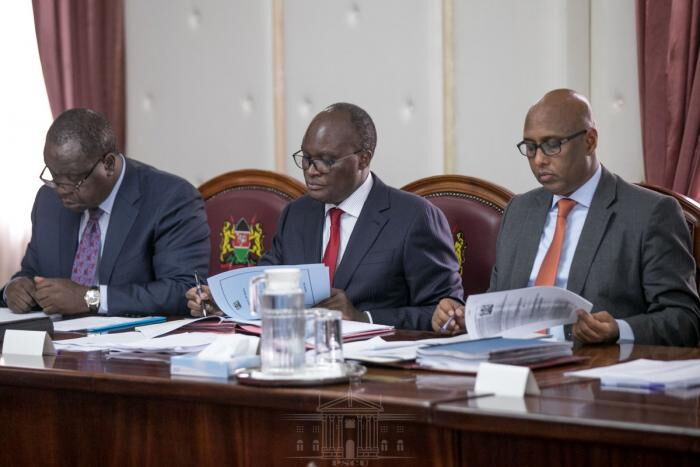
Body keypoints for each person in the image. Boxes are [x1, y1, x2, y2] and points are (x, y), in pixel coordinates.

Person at [432, 89, 700, 346]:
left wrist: (619, 329)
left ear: (589, 141)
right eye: (530, 147)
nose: (538, 160)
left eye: (552, 145)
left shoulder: (650, 213)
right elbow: (499, 303)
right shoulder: (519, 210)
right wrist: (463, 317)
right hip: (511, 362)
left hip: (595, 369)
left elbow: (684, 320)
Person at [187, 102, 463, 329]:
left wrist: (362, 318)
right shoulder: (296, 214)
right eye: (306, 158)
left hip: (378, 372)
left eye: (326, 160)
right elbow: (267, 283)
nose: (311, 170)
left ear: (363, 159)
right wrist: (222, 303)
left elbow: (445, 314)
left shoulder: (413, 217)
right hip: (296, 358)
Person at [1, 108, 210, 316]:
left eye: (74, 179)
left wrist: (90, 298)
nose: (61, 190)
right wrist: (15, 288)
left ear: (108, 164)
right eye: (54, 176)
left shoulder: (169, 198)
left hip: (133, 343)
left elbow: (183, 291)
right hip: (60, 341)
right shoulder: (48, 200)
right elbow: (33, 272)